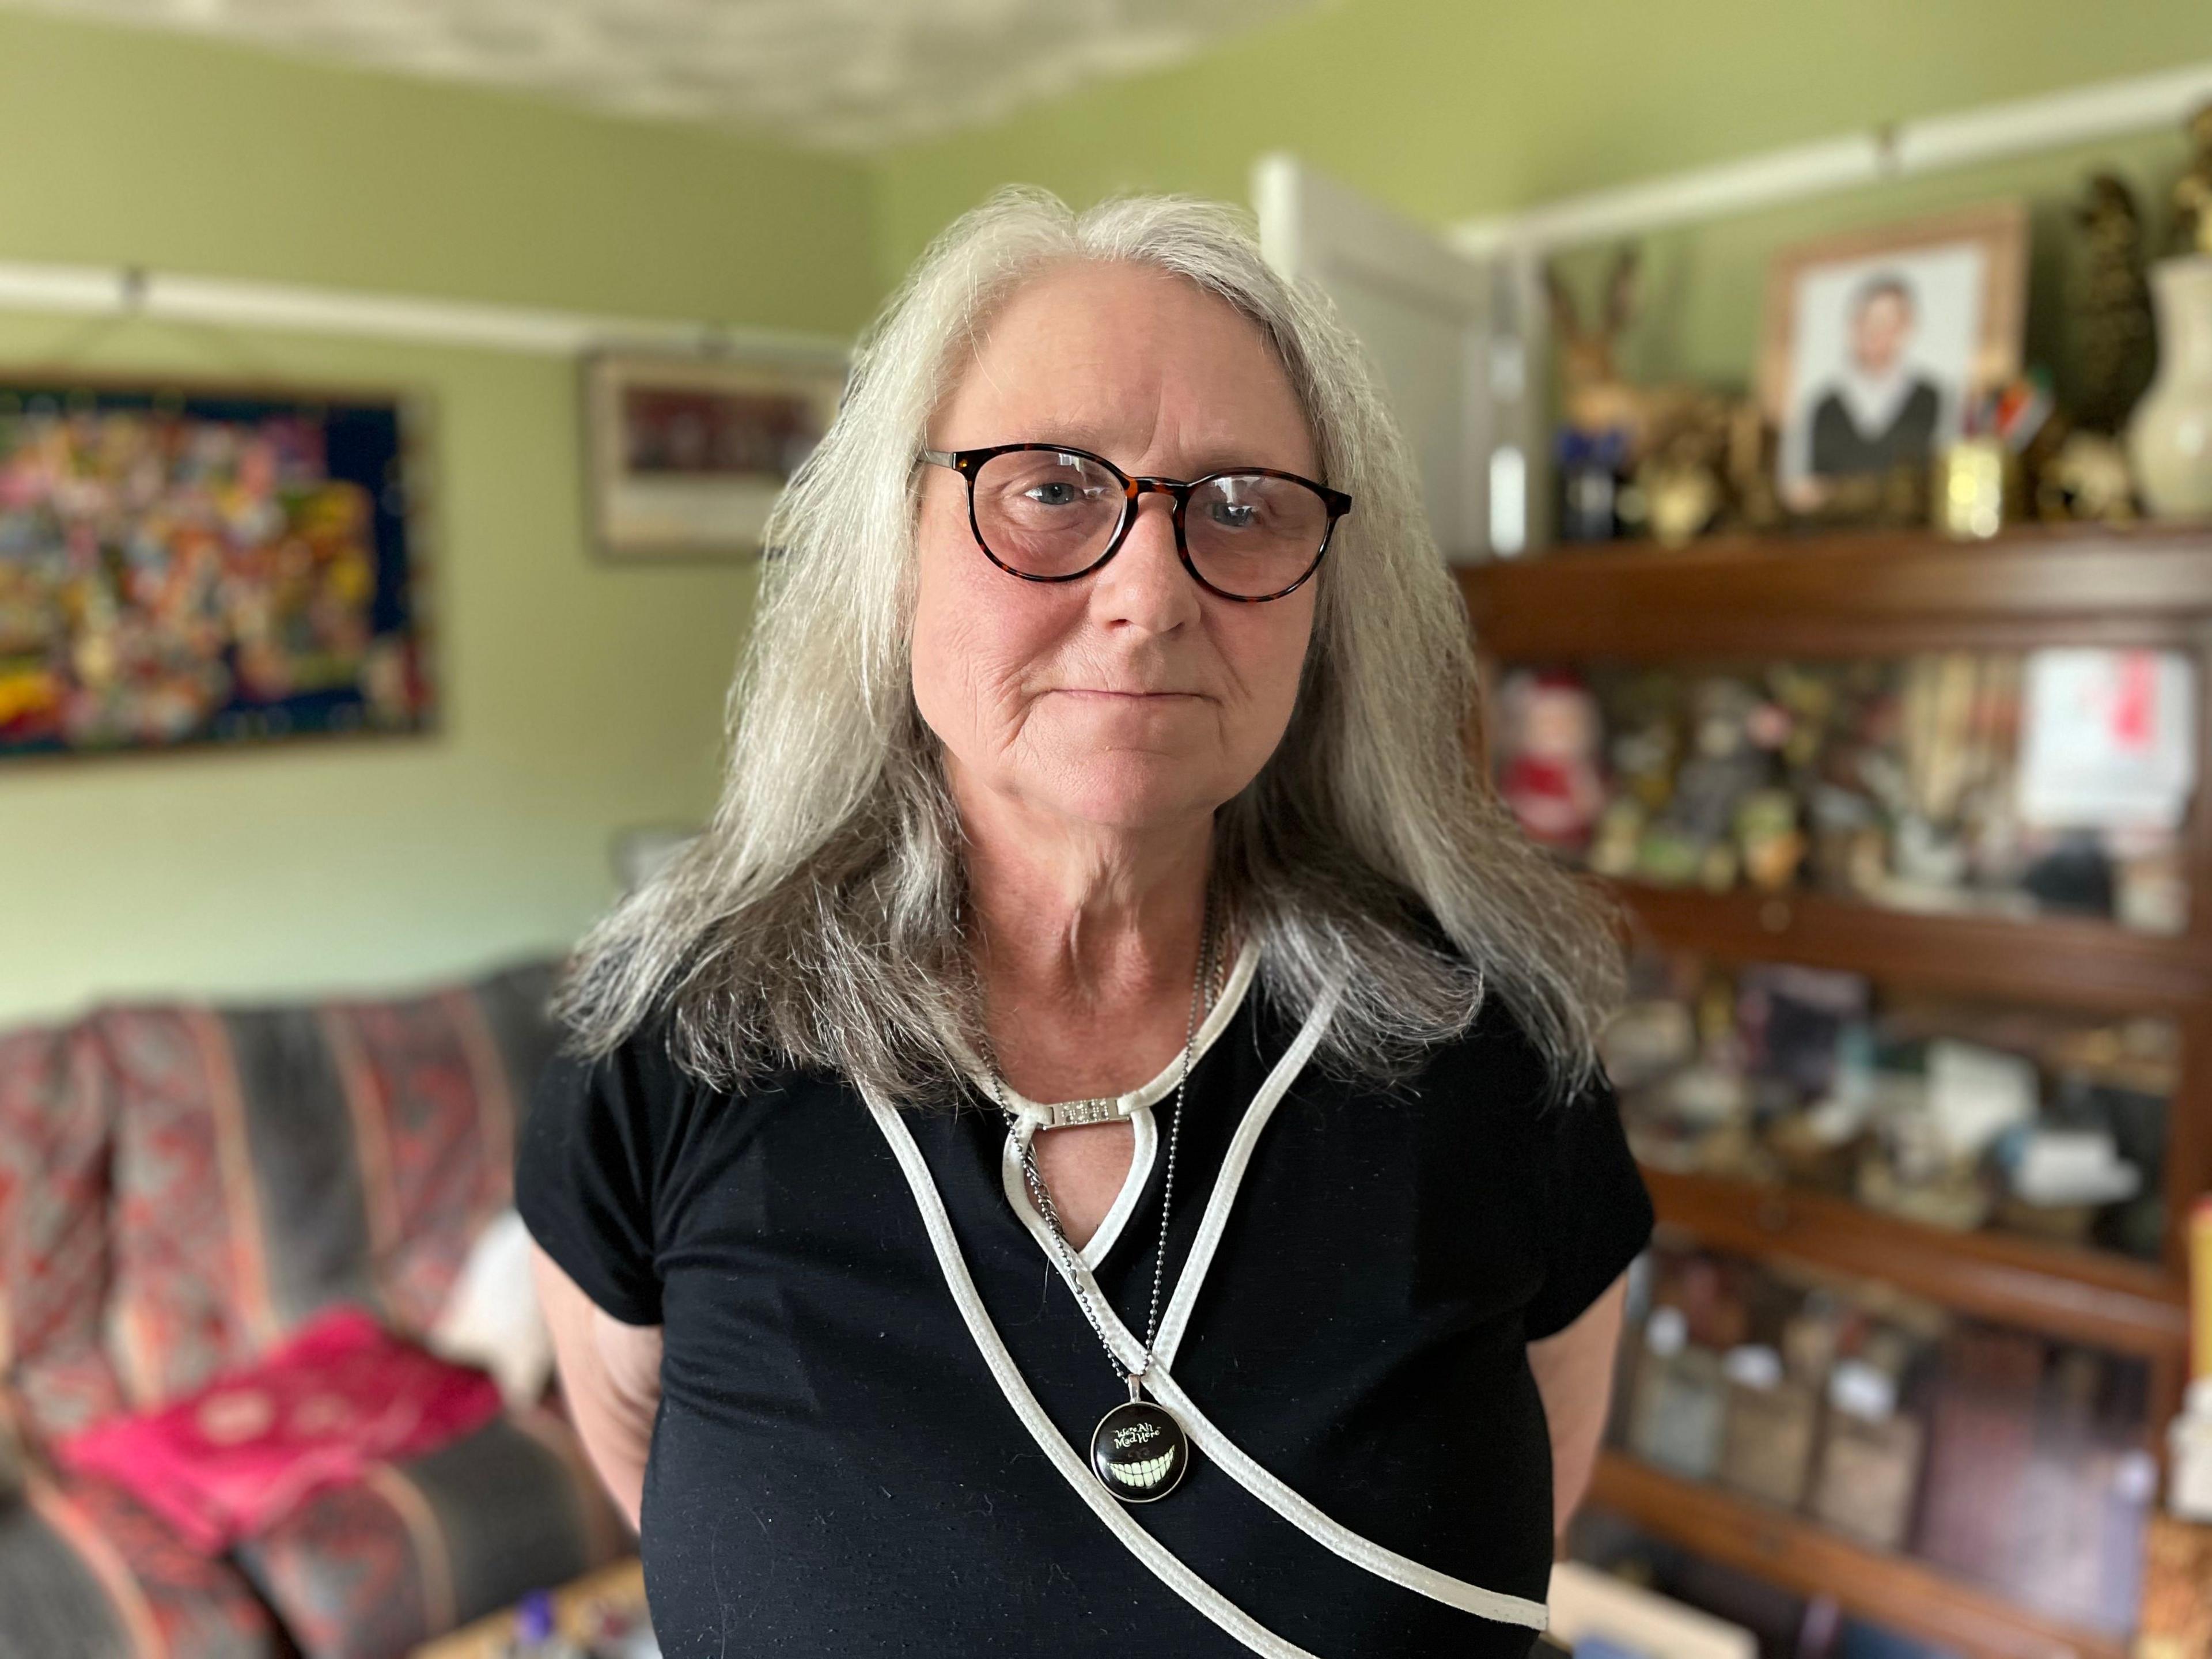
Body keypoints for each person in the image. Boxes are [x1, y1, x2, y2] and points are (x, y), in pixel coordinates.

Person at [518, 185, 1653, 1659]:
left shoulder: (1499, 1052)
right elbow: (649, 1463)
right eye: (1050, 488)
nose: (1147, 593)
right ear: (896, 546)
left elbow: (1521, 1507)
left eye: (1241, 506)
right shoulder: (663, 1051)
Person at [1806, 274, 1944, 476]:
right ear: (1855, 326)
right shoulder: (1826, 406)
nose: (1875, 332)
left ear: (1905, 328)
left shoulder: (1929, 398)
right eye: (1868, 320)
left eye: (1886, 322)